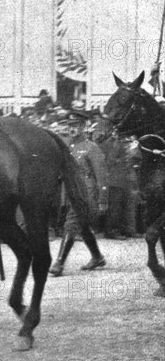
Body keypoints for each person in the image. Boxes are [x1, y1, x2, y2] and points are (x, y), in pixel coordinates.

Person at [50, 111, 108, 277]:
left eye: (76, 125)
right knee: (82, 228)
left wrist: (103, 199)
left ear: (84, 127)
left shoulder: (92, 147)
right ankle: (97, 257)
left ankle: (59, 263)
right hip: (71, 192)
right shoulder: (69, 147)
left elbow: (101, 175)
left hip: (87, 193)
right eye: (70, 126)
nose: (72, 129)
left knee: (71, 223)